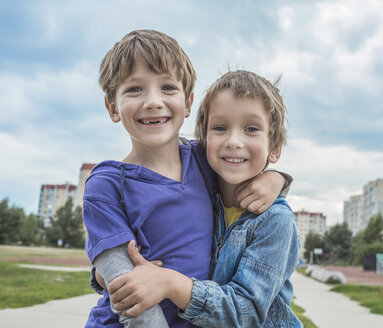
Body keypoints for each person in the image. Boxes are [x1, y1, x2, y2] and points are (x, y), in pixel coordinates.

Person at [84, 30, 289, 328]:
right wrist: (105, 273)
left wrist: (277, 179)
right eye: (134, 89)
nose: (153, 101)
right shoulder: (106, 185)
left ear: (189, 102)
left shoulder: (203, 162)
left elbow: (244, 164)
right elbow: (129, 298)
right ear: (112, 107)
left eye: (167, 87)